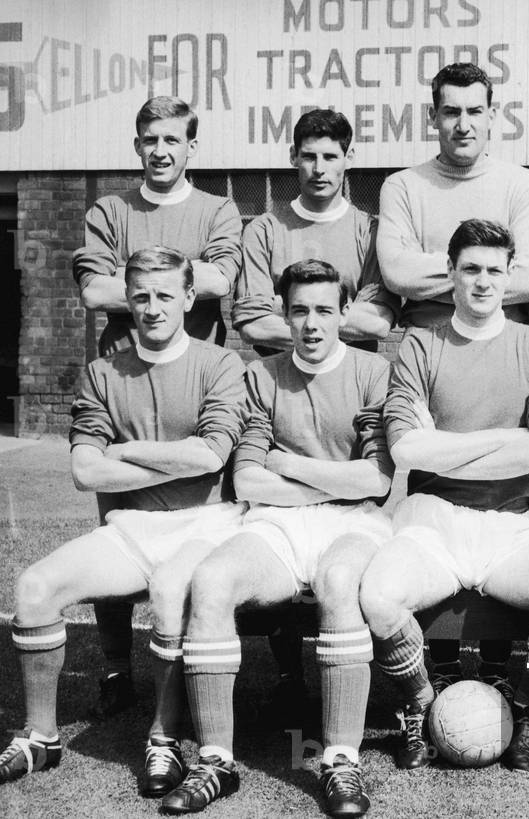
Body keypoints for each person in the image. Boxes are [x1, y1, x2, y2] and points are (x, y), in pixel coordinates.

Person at [1, 248, 246, 791]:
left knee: (169, 592)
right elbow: (85, 472)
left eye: (165, 295)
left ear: (189, 297)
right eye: (141, 297)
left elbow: (210, 455)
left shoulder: (221, 364)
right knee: (34, 587)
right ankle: (41, 736)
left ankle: (164, 740)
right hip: (133, 528)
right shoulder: (102, 372)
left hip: (208, 524)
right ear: (127, 301)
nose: (153, 308)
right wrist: (170, 458)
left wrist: (126, 451)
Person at [359, 219, 529, 774]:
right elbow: (407, 449)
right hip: (433, 520)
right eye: (470, 269)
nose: (482, 281)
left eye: (494, 270)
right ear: (450, 272)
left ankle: (528, 705)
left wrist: (444, 444)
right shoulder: (421, 342)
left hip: (514, 523)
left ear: (510, 275)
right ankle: (419, 702)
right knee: (379, 598)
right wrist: (510, 438)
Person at [161, 260, 393, 816]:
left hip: (354, 521)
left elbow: (376, 480)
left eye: (324, 310)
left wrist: (288, 465)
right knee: (212, 579)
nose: (311, 324)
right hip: (278, 522)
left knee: (339, 580)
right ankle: (216, 761)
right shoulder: (261, 375)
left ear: (344, 313)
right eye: (299, 311)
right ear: (285, 316)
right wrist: (327, 481)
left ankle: (341, 761)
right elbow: (247, 480)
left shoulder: (372, 371)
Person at [71, 95, 242, 719]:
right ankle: (117, 667)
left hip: (195, 385)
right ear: (137, 145)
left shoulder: (218, 209)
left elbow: (221, 280)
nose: (161, 151)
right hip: (123, 382)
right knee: (117, 525)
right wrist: (174, 284)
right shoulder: (111, 210)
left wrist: (141, 278)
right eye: (151, 140)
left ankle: (197, 657)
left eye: (173, 140)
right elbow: (95, 291)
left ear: (192, 146)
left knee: (201, 521)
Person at [376, 62, 529, 330]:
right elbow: (398, 274)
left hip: (503, 342)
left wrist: (434, 277)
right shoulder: (402, 187)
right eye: (451, 112)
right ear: (433, 116)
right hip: (427, 340)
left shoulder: (523, 184)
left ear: (491, 116)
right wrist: (494, 271)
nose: (463, 126)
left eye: (475, 111)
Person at [232, 109, 397, 356]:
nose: (319, 169)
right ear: (293, 156)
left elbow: (378, 323)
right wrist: (345, 311)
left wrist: (284, 309)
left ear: (349, 158)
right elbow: (254, 327)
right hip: (280, 374)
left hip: (351, 374)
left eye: (330, 157)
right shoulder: (263, 231)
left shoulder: (370, 232)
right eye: (309, 157)